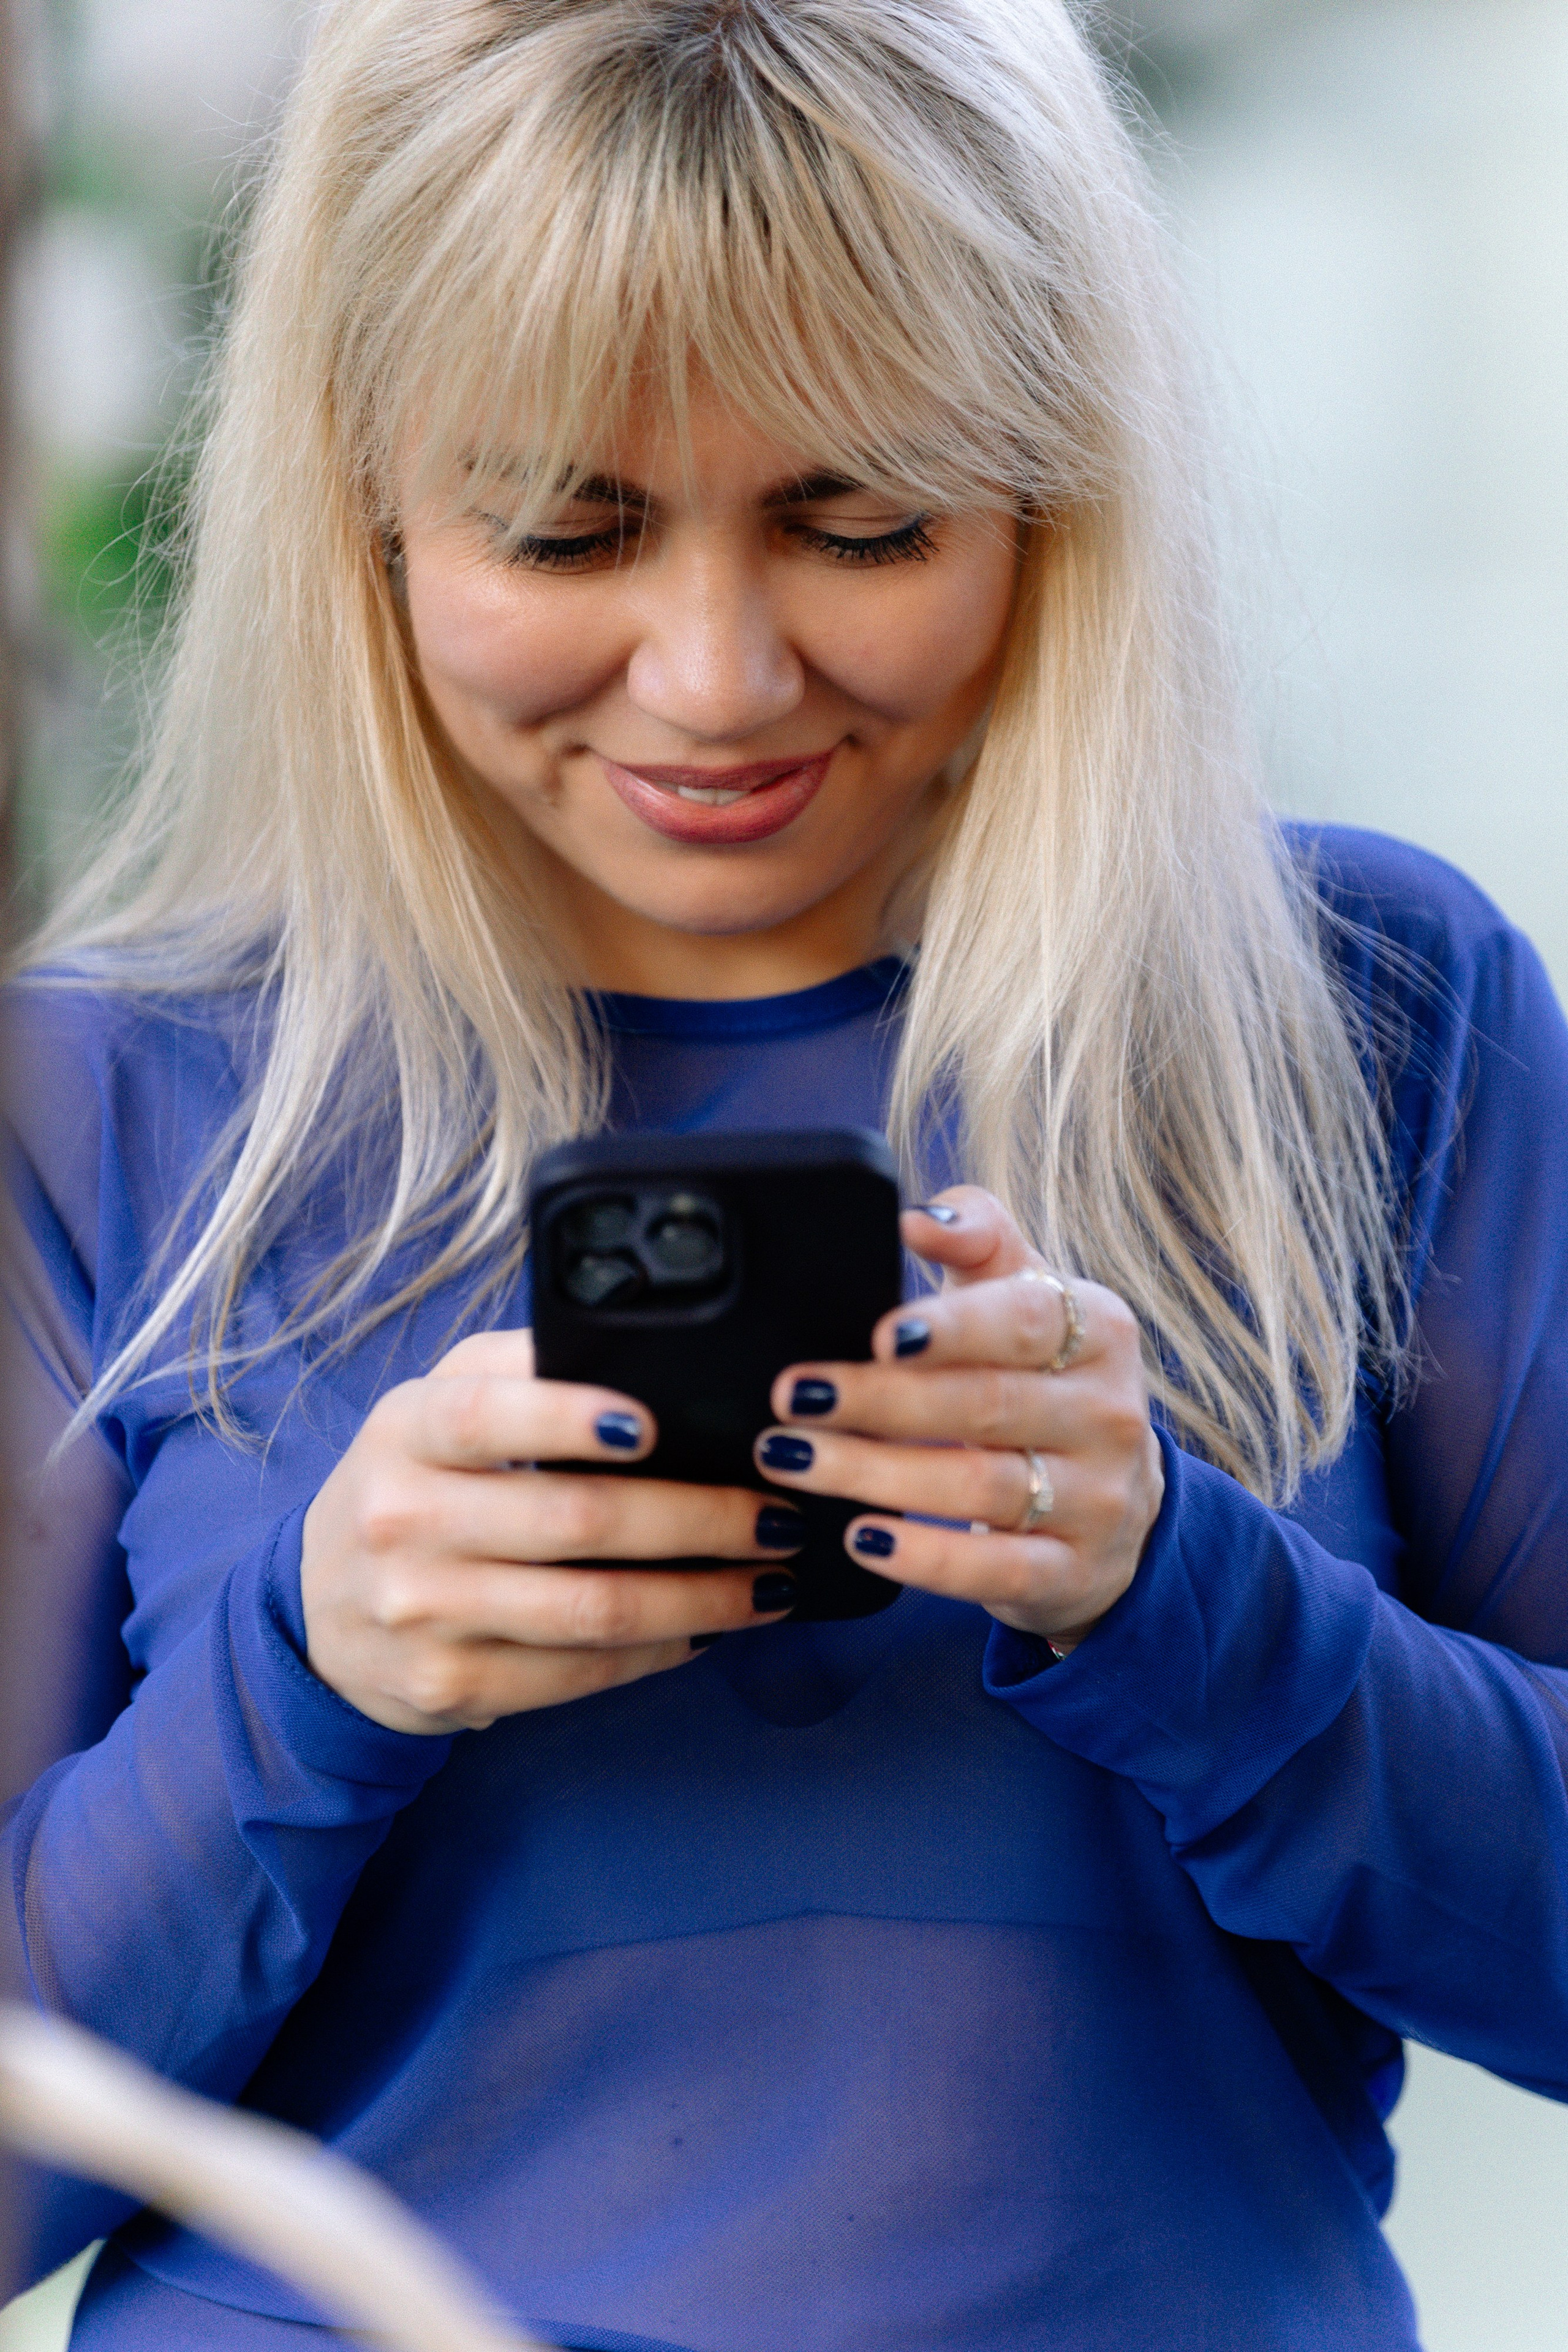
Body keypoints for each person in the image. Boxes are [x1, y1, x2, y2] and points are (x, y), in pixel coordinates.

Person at [4, 1, 1567, 2345]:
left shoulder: (1370, 1011)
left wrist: (1180, 1598)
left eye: (863, 526)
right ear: (363, 509)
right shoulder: (93, 1102)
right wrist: (308, 1679)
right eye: (568, 530)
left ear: (1055, 491)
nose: (718, 679)